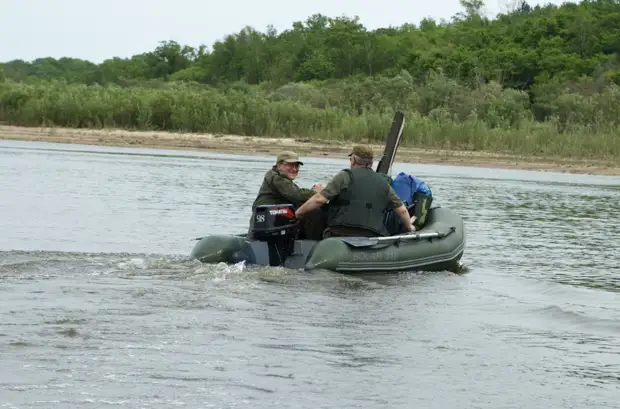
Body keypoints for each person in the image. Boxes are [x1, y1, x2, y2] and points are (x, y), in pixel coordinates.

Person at [294, 145, 414, 238]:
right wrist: (410, 227)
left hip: (339, 232)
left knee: (314, 212)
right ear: (371, 163)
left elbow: (319, 200)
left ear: (353, 160)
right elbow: (402, 211)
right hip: (372, 234)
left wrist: (297, 214)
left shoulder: (345, 176)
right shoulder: (384, 183)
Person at [250, 151, 324, 239]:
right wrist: (316, 193)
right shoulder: (277, 177)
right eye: (290, 165)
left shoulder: (280, 178)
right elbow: (296, 195)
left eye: (296, 166)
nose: (294, 169)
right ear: (279, 165)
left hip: (277, 219)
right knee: (314, 212)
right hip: (271, 220)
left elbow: (296, 194)